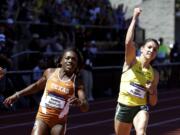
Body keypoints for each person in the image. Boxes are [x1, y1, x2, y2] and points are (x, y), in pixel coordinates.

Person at [3, 47, 89, 135]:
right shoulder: (50, 72)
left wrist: (80, 102)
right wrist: (17, 95)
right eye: (67, 58)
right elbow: (36, 86)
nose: (70, 61)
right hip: (42, 118)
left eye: (74, 59)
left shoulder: (77, 82)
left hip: (58, 123)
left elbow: (85, 107)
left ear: (77, 65)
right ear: (61, 61)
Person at [114, 7, 159, 135]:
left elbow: (153, 102)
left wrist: (151, 91)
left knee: (141, 132)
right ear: (142, 49)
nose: (151, 51)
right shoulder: (131, 61)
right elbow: (128, 42)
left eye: (155, 49)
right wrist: (134, 18)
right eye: (149, 47)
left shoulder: (154, 73)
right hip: (124, 106)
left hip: (140, 107)